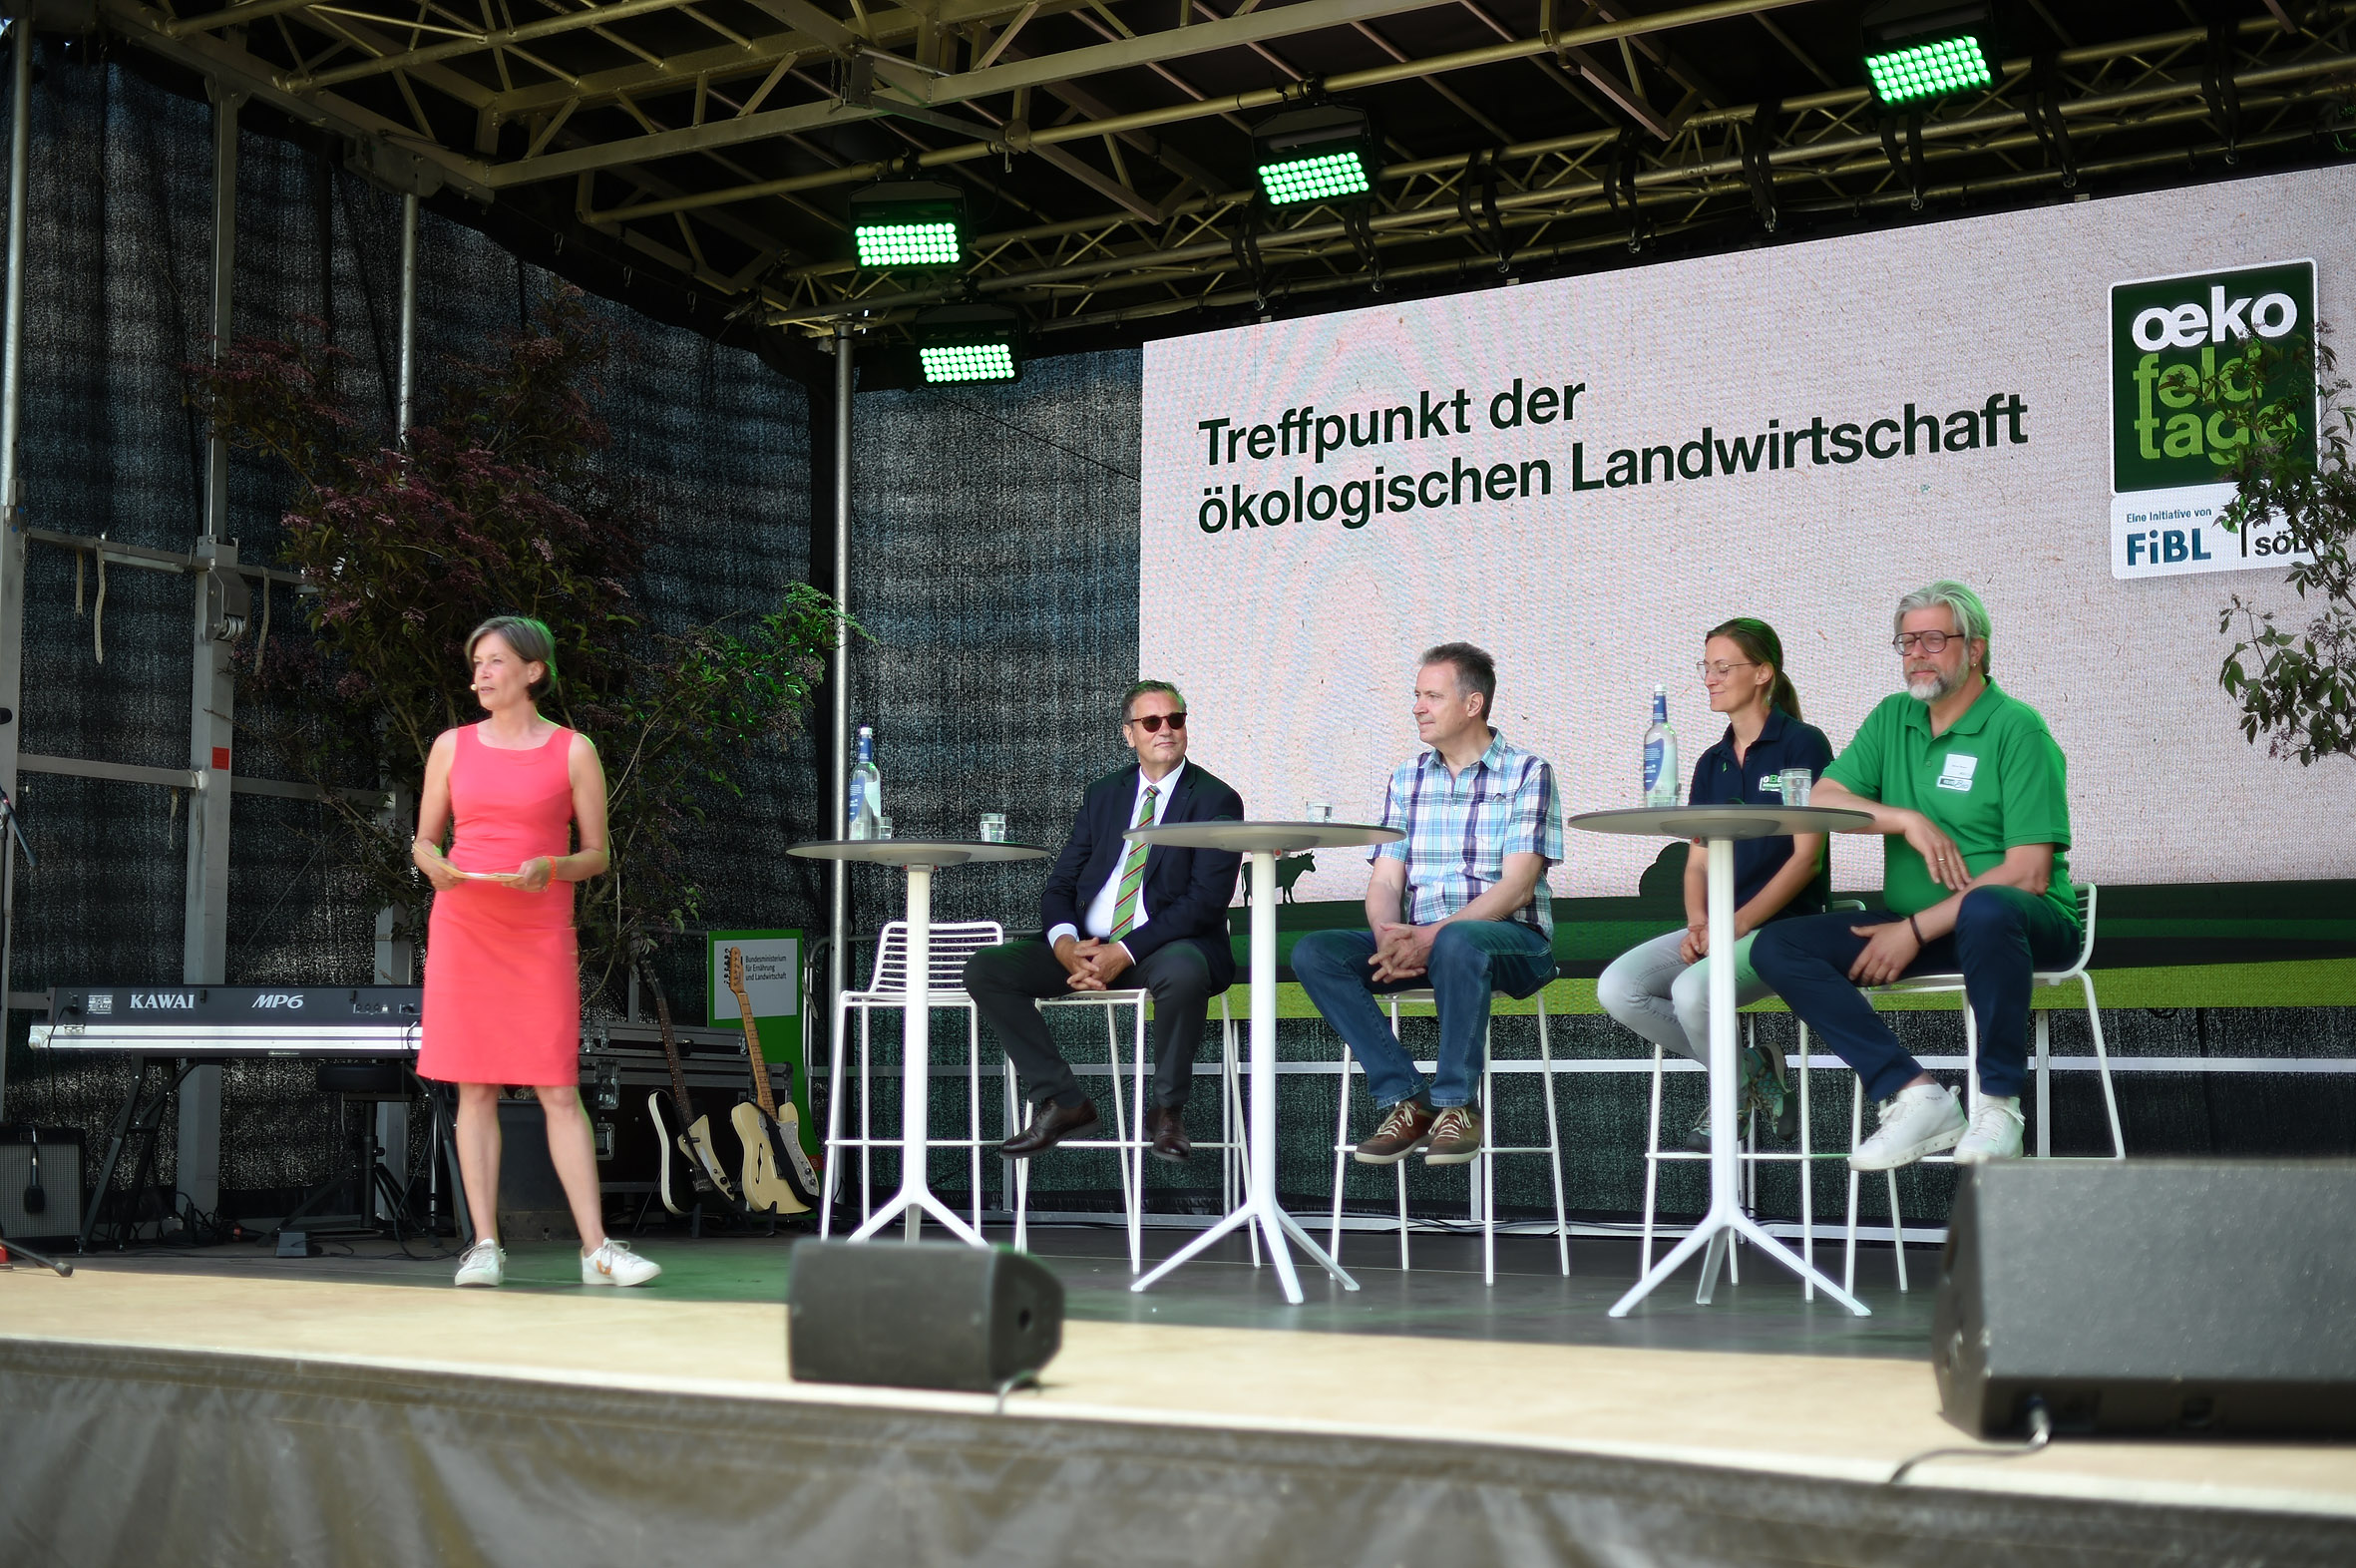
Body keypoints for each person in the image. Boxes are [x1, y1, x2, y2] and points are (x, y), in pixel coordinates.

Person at [1750, 582, 2080, 1171]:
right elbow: (1823, 798)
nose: (1917, 655)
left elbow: (2028, 873)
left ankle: (1998, 1106)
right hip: (1920, 925)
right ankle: (1914, 1092)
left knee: (1987, 908)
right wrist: (1906, 820)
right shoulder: (1893, 718)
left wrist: (1914, 930)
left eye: (1933, 640)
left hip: (2023, 925)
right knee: (1777, 945)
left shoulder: (2017, 729)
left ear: (1974, 649)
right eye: (1906, 642)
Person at [413, 615, 659, 1289]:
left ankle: (597, 1249)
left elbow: (597, 854)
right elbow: (425, 839)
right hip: (465, 924)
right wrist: (431, 862)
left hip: (539, 929)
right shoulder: (451, 746)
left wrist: (551, 866)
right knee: (475, 1087)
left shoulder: (574, 750)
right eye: (476, 662)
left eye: (494, 661)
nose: (481, 673)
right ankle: (484, 1245)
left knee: (557, 1085)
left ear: (533, 671)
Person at [1294, 643, 1562, 1167]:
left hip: (1513, 942)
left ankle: (1457, 1104)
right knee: (1316, 952)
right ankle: (1408, 1098)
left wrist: (1429, 936)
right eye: (1417, 695)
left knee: (1460, 940)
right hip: (1423, 940)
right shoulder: (1407, 777)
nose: (1417, 707)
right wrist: (1388, 935)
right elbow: (1385, 881)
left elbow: (1518, 887)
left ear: (1473, 704)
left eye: (1432, 696)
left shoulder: (1527, 772)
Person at [966, 680, 1243, 1163]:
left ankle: (1167, 1110)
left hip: (1160, 948)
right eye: (1151, 722)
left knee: (1183, 970)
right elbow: (1061, 885)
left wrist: (1124, 952)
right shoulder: (1103, 795)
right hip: (1087, 947)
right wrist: (1065, 947)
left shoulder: (1216, 799)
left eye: (1175, 719)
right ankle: (1063, 1101)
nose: (1165, 730)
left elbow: (1205, 901)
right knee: (987, 969)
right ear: (1128, 734)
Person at [1597, 618, 1834, 1149]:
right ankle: (1750, 1068)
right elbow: (1697, 863)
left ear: (1763, 673)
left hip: (1785, 930)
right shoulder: (1712, 761)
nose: (1709, 678)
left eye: (1723, 667)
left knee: (1690, 991)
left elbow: (1807, 861)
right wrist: (1698, 923)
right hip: (1725, 925)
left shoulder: (1802, 744)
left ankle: (1728, 1096)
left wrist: (1737, 924)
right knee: (1618, 988)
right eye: (1705, 667)